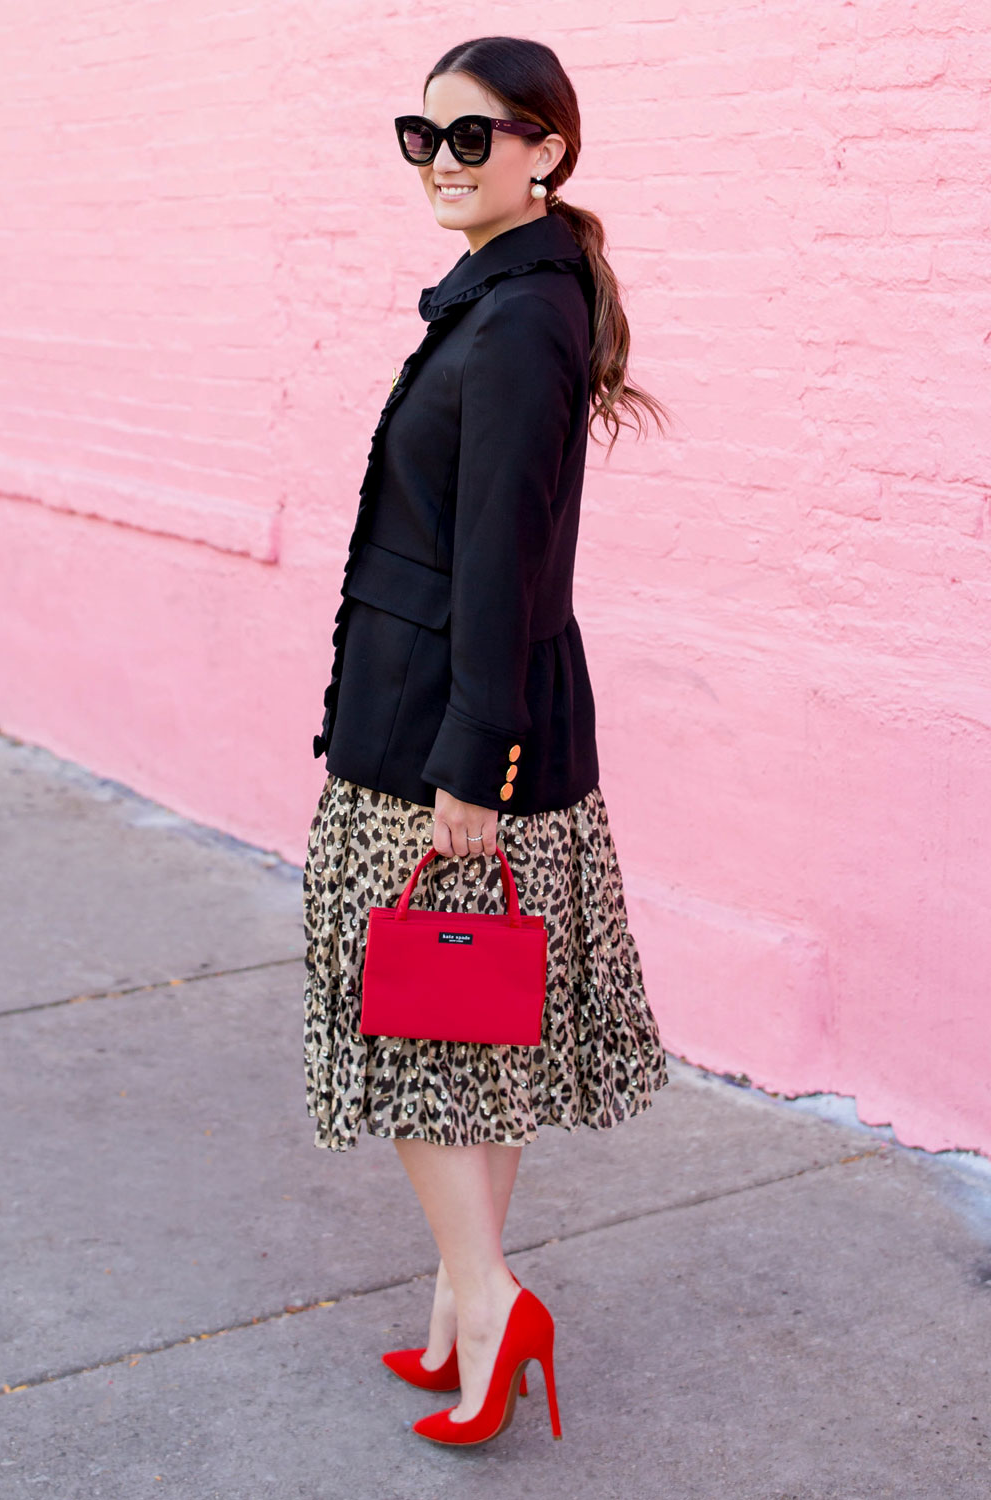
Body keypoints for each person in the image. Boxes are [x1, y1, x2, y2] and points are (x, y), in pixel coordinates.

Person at [302, 34, 671, 1447]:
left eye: (476, 138)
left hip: (440, 735)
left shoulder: (517, 320)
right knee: (472, 1027)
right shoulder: (516, 299)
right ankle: (468, 1320)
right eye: (426, 135)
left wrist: (473, 760)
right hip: (474, 714)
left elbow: (502, 556)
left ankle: (491, 1293)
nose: (443, 163)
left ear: (545, 150)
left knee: (405, 1024)